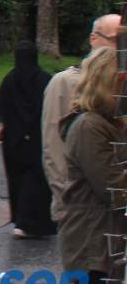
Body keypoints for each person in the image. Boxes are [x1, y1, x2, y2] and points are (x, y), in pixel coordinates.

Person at [58, 47, 127, 284]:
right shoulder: (90, 127)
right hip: (93, 248)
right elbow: (117, 192)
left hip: (105, 245)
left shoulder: (109, 123)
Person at [43, 14, 122, 222]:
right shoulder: (65, 83)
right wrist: (65, 202)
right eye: (116, 40)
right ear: (94, 39)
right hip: (83, 211)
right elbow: (53, 148)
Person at [0, 41, 56, 238]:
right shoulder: (45, 80)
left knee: (18, 180)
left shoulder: (9, 80)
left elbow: (0, 104)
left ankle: (20, 219)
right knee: (38, 180)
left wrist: (11, 124)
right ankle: (35, 223)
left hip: (13, 141)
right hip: (38, 139)